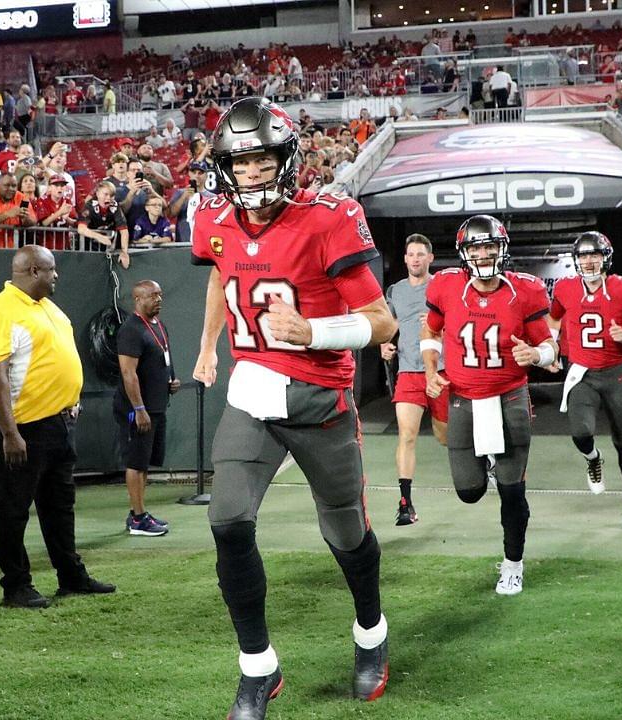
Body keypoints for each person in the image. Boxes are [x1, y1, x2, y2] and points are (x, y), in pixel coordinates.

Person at [190, 98, 396, 717]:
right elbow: (220, 276)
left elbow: (382, 322)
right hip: (252, 391)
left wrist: (316, 332)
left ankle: (370, 634)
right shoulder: (213, 218)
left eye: (261, 159)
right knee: (227, 522)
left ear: (286, 159)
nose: (251, 173)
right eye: (240, 162)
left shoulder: (329, 218)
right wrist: (206, 344)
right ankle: (258, 667)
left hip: (318, 397)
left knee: (347, 533)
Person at [420, 215, 556, 597]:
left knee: (513, 492)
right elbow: (430, 331)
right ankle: (492, 469)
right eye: (476, 247)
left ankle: (513, 563)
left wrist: (539, 353)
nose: (483, 254)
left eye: (489, 246)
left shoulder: (525, 290)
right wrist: (431, 370)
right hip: (462, 396)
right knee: (469, 492)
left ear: (502, 248)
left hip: (510, 395)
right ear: (464, 253)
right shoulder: (446, 285)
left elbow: (551, 345)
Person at [0, 245, 116, 609]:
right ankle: (16, 585)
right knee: (12, 509)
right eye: (52, 270)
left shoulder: (48, 307)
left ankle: (71, 576)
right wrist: (9, 433)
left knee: (59, 506)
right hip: (21, 429)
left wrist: (71, 399)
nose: (57, 276)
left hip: (58, 424)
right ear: (34, 271)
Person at [547, 232, 622, 528]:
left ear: (605, 257)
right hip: (582, 373)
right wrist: (552, 348)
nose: (589, 261)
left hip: (617, 374)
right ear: (575, 260)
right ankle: (593, 458)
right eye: (583, 256)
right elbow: (553, 320)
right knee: (580, 433)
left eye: (594, 255)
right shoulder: (565, 289)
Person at [381, 234, 448, 526]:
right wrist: (384, 343)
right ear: (406, 259)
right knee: (406, 435)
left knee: (444, 437)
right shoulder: (395, 291)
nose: (416, 259)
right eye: (411, 254)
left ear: (430, 258)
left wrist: (440, 329)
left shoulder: (442, 287)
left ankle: (486, 462)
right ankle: (405, 503)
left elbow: (459, 325)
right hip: (408, 371)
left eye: (421, 254)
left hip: (441, 370)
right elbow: (388, 324)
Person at [115, 280, 180, 536]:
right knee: (136, 461)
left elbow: (161, 359)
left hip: (156, 406)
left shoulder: (159, 326)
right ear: (138, 299)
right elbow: (128, 373)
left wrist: (170, 382)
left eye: (160, 294)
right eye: (153, 295)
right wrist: (139, 408)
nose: (159, 299)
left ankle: (139, 512)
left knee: (144, 463)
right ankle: (137, 519)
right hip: (137, 409)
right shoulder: (131, 329)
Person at [78, 180, 131, 266]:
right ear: (98, 194)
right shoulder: (89, 206)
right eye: (105, 194)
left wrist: (124, 252)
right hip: (88, 249)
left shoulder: (115, 206)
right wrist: (99, 237)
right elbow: (81, 229)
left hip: (107, 248)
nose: (108, 198)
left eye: (112, 195)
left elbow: (124, 230)